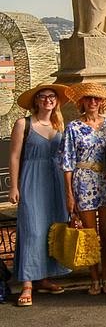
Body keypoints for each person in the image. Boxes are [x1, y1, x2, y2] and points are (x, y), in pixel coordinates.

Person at [9, 84, 72, 307]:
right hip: (32, 179)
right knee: (32, 230)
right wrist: (14, 186)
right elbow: (15, 156)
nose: (48, 100)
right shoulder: (23, 124)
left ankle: (43, 277)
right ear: (36, 101)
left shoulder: (59, 125)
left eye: (52, 96)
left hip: (54, 181)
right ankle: (27, 283)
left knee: (51, 229)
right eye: (43, 96)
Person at [62, 82, 106, 295]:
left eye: (96, 99)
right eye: (88, 98)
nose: (93, 102)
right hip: (83, 180)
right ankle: (93, 277)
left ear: (102, 102)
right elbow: (67, 163)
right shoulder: (73, 127)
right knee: (89, 234)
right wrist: (69, 194)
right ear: (82, 102)